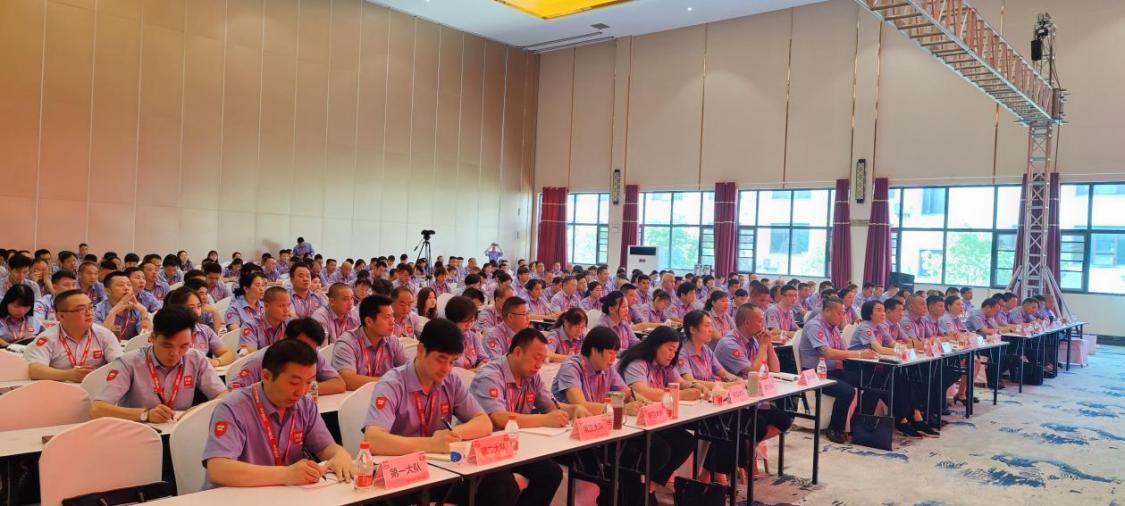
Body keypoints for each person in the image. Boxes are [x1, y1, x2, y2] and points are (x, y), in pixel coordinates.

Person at [363, 319, 519, 506]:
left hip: (441, 467)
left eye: (452, 362)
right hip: (402, 469)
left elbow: (483, 422)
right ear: (421, 350)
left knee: (501, 483)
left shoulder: (451, 380)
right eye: (441, 359)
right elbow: (373, 440)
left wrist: (453, 435)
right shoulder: (392, 384)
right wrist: (431, 444)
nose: (447, 368)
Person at [202, 339, 356, 488]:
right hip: (236, 496)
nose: (302, 391)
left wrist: (339, 454)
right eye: (294, 383)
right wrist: (286, 474)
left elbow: (324, 447)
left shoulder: (305, 403)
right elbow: (218, 470)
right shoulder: (233, 408)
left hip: (284, 494)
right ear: (266, 376)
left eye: (309, 382)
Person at [470, 328, 583, 506]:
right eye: (536, 358)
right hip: (486, 450)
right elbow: (499, 418)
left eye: (542, 359)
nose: (539, 365)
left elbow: (551, 407)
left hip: (517, 446)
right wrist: (545, 420)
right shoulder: (490, 375)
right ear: (517, 352)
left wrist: (574, 409)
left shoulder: (532, 376)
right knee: (504, 488)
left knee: (551, 474)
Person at [90, 305, 227, 421]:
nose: (175, 353)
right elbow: (97, 409)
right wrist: (145, 414)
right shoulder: (128, 363)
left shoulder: (195, 359)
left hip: (180, 431)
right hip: (139, 432)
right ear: (152, 338)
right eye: (167, 346)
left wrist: (198, 410)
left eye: (184, 346)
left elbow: (223, 396)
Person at [617, 326, 701, 500]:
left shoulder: (665, 365)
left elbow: (680, 382)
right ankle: (637, 488)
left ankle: (651, 485)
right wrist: (679, 394)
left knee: (686, 441)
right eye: (669, 349)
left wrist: (695, 387)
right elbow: (640, 390)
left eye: (675, 351)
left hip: (656, 419)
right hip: (634, 423)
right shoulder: (637, 363)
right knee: (661, 450)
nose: (672, 354)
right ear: (656, 345)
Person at [849, 300, 938, 437]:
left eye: (883, 310)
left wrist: (906, 349)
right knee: (888, 383)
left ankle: (911, 417)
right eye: (879, 310)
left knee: (904, 380)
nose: (883, 313)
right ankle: (904, 419)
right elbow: (879, 349)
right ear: (869, 313)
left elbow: (893, 344)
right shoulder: (865, 327)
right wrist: (903, 351)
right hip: (858, 367)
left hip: (875, 367)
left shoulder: (880, 327)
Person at [797, 297, 877, 444]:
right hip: (814, 373)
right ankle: (835, 427)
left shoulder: (833, 328)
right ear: (827, 311)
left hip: (832, 371)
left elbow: (843, 351)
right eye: (839, 313)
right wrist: (859, 354)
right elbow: (827, 353)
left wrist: (865, 354)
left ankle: (858, 424)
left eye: (843, 313)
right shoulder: (815, 326)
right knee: (847, 391)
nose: (842, 317)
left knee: (871, 383)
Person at [25, 289, 123, 381]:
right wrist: (69, 375)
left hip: (96, 387)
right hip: (58, 389)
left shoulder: (104, 335)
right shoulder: (47, 338)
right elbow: (34, 370)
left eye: (90, 307)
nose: (89, 313)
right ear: (61, 316)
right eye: (81, 309)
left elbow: (120, 365)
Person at [230, 318, 345, 395]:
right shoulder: (260, 359)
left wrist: (304, 389)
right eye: (301, 345)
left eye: (311, 348)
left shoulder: (313, 355)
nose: (305, 352)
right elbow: (233, 390)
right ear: (285, 338)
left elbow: (339, 384)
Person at [332, 294, 408, 390]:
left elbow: (408, 372)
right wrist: (389, 381)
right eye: (387, 317)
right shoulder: (347, 343)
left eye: (392, 316)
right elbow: (347, 380)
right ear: (368, 321)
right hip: (355, 398)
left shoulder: (393, 341)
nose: (392, 322)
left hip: (384, 395)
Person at [165, 286, 235, 367]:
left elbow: (229, 354)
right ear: (177, 309)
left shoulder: (204, 330)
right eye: (191, 308)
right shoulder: (168, 333)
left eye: (198, 306)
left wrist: (215, 362)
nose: (196, 311)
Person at [95, 271, 152, 341]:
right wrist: (114, 312)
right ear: (108, 291)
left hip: (130, 347)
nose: (126, 288)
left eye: (129, 285)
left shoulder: (136, 308)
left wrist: (144, 312)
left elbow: (145, 338)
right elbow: (100, 338)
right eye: (121, 285)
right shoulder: (97, 310)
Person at [240, 286, 292, 352]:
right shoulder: (250, 326)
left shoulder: (290, 323)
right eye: (281, 306)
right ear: (266, 306)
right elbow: (251, 356)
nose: (287, 310)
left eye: (288, 305)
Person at [444, 295, 489, 370]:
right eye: (465, 321)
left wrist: (478, 368)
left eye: (472, 321)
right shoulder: (443, 339)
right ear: (453, 319)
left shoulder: (472, 336)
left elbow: (484, 358)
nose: (469, 325)